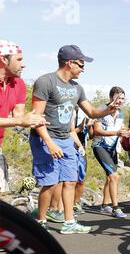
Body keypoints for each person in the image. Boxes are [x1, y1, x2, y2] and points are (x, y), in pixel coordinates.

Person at [31, 44, 122, 234]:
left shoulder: (77, 88)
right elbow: (36, 118)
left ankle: (69, 222)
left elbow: (91, 111)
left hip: (66, 138)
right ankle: (40, 222)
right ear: (69, 63)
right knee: (49, 182)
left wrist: (109, 109)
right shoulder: (45, 81)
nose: (83, 69)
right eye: (81, 65)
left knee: (70, 181)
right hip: (46, 137)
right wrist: (49, 142)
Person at [0, 40, 47, 191]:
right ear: (3, 60)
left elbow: (19, 115)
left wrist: (33, 119)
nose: (24, 64)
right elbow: (18, 119)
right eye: (19, 60)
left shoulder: (18, 83)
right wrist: (20, 120)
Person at [92, 86, 130, 218]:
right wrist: (116, 132)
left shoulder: (121, 112)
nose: (120, 101)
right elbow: (97, 131)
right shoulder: (101, 110)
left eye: (122, 99)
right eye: (118, 98)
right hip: (100, 146)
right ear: (110, 98)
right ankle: (115, 208)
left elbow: (121, 127)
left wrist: (127, 131)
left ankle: (104, 206)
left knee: (110, 178)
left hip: (112, 148)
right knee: (114, 177)